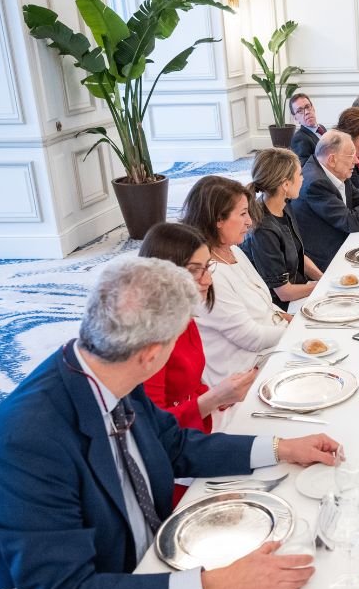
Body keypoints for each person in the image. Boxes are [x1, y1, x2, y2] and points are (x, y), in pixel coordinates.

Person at [0, 258, 341, 589]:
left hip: (145, 568)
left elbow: (172, 445)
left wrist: (280, 448)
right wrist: (215, 586)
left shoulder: (108, 366)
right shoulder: (24, 446)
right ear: (150, 355)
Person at [139, 223, 258, 446]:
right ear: (164, 274)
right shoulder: (147, 339)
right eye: (195, 270)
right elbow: (153, 428)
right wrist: (215, 398)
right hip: (178, 444)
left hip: (200, 420)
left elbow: (193, 386)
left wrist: (220, 397)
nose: (208, 280)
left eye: (207, 267)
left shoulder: (184, 315)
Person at [182, 176, 292, 385]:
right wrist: (296, 330)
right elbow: (251, 338)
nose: (249, 221)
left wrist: (289, 318)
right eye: (242, 214)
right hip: (244, 373)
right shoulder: (208, 275)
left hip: (269, 348)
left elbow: (266, 304)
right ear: (218, 219)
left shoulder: (233, 250)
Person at [287, 130, 359, 268]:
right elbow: (350, 222)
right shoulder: (316, 183)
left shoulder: (336, 171)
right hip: (327, 260)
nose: (356, 160)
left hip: (346, 242)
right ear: (332, 160)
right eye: (351, 155)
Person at [241, 148, 324, 310]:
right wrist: (322, 286)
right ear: (286, 184)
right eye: (300, 174)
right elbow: (284, 293)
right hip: (281, 307)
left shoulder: (283, 206)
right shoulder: (264, 230)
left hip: (299, 290)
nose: (303, 178)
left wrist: (323, 278)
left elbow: (298, 255)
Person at [288, 92, 325, 164]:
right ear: (295, 117)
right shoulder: (299, 139)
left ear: (313, 108)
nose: (307, 112)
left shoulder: (321, 128)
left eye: (307, 107)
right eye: (300, 111)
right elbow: (305, 167)